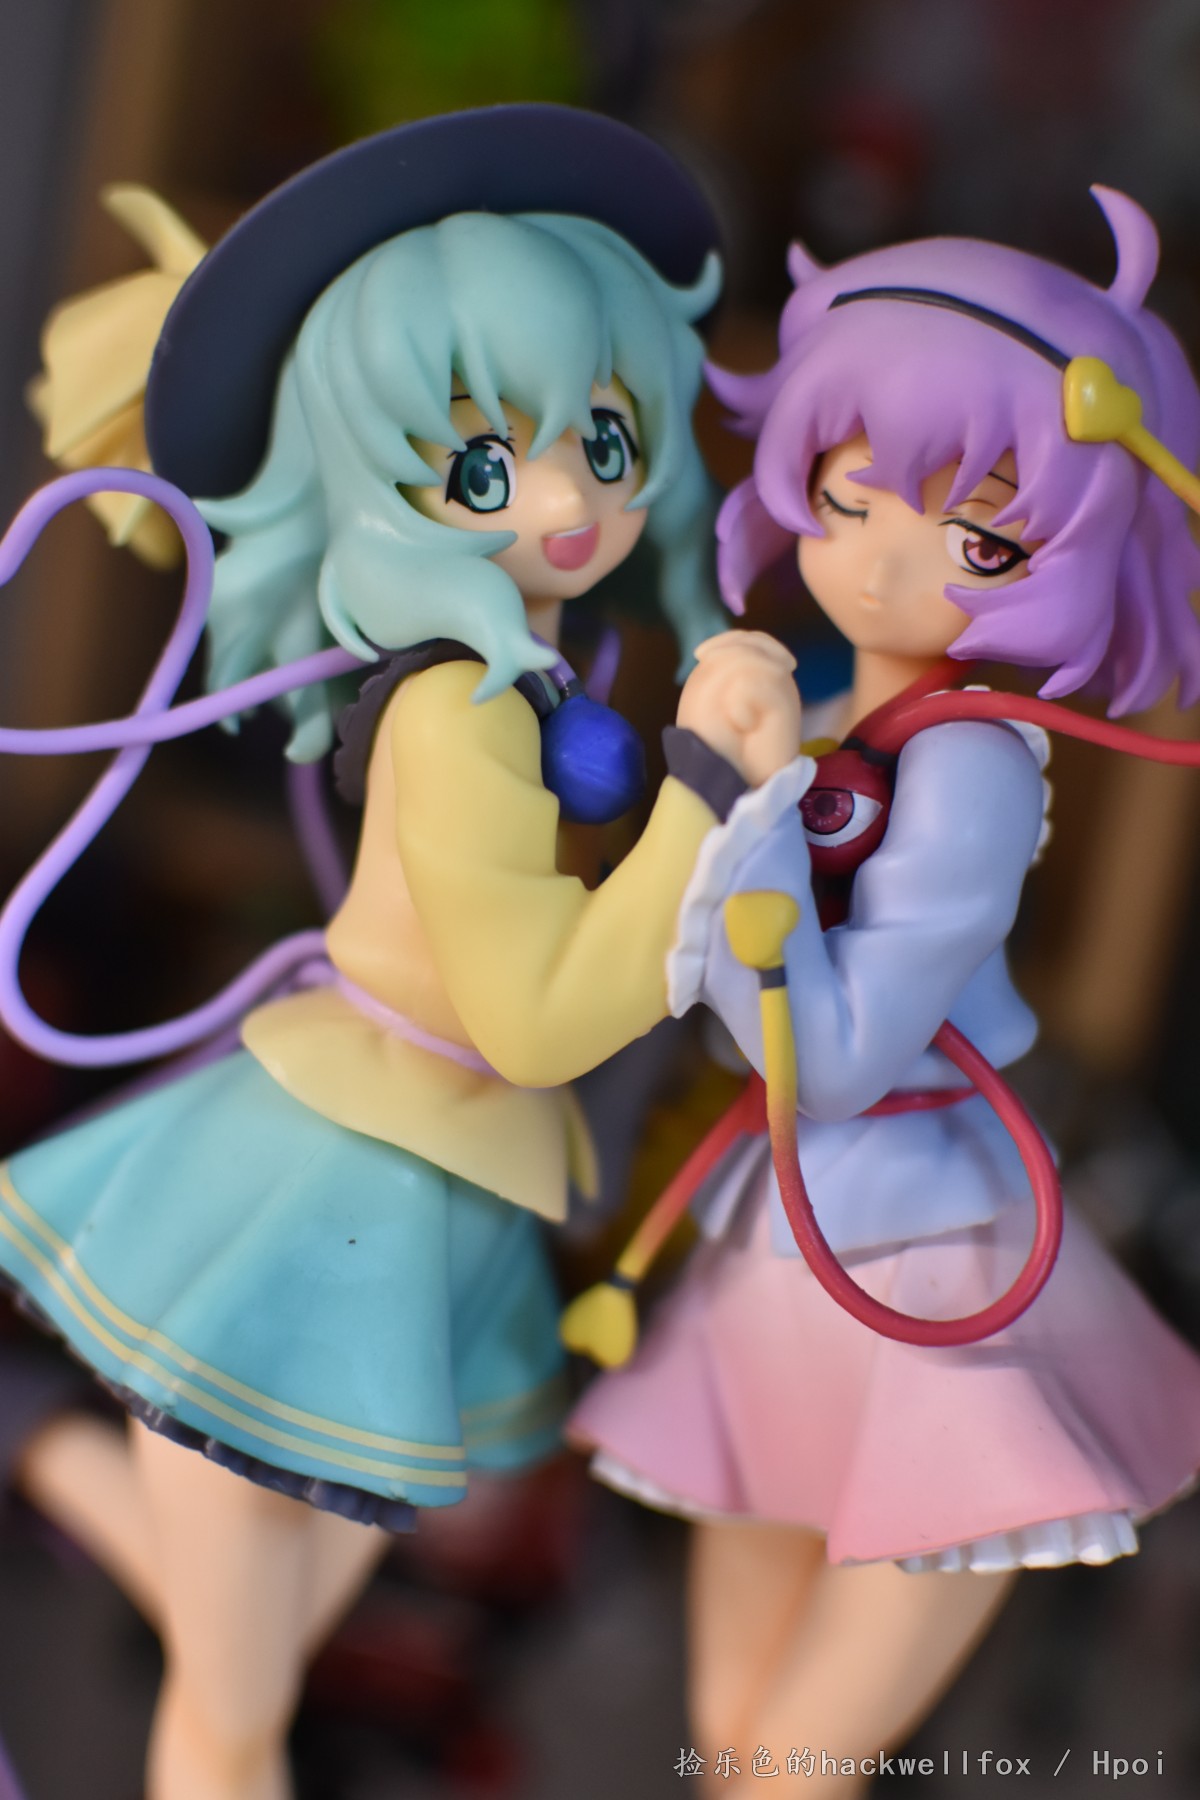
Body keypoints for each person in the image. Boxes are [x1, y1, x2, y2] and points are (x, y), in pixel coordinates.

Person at [0, 107, 802, 1800]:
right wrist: (706, 796)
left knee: (249, 1657)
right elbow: (535, 1016)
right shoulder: (459, 712)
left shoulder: (536, 685)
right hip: (331, 1198)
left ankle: (45, 1453)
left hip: (437, 1200)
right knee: (234, 1706)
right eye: (486, 471)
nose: (572, 500)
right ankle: (48, 1453)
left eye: (603, 433)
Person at [570, 185, 1200, 1791]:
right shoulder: (811, 708)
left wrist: (752, 812)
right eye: (848, 501)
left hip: (914, 1275)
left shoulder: (971, 761)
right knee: (739, 1746)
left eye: (980, 538)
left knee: (791, 1768)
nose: (884, 562)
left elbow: (834, 1054)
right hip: (780, 1256)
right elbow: (682, 974)